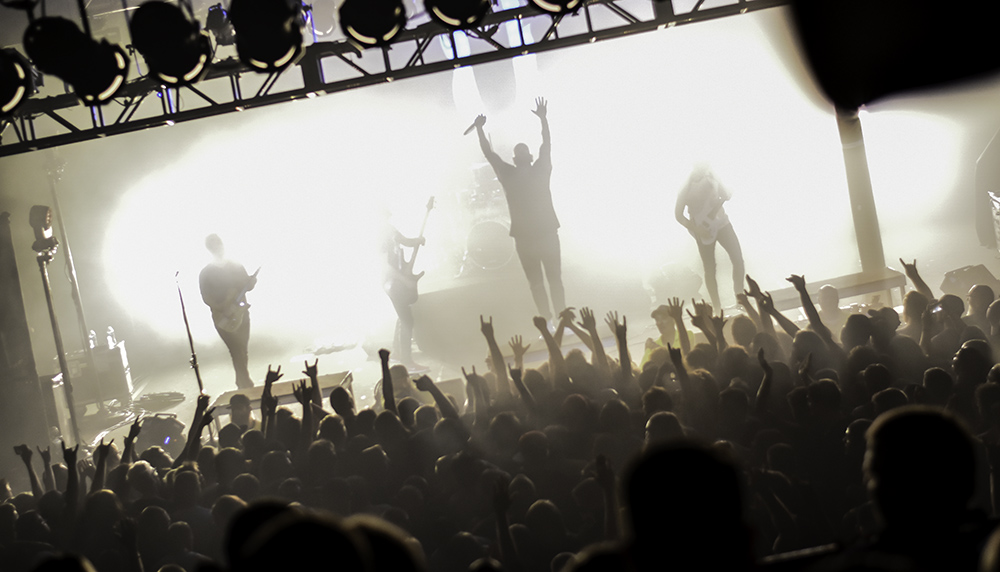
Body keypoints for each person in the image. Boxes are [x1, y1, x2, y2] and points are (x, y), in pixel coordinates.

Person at [473, 97, 565, 319]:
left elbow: (490, 155)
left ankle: (552, 321)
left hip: (527, 237)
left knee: (538, 283)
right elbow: (547, 145)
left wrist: (479, 130)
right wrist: (543, 120)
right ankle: (560, 319)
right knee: (552, 280)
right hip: (544, 233)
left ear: (514, 159)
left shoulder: (509, 174)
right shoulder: (540, 169)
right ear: (528, 157)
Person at [675, 164, 744, 310]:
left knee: (737, 259)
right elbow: (678, 215)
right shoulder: (685, 188)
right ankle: (717, 308)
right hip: (702, 230)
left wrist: (725, 193)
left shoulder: (713, 177)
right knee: (710, 268)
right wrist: (696, 229)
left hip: (723, 224)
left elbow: (725, 195)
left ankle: (740, 300)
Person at [200, 234, 257, 389]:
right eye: (214, 245)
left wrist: (252, 282)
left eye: (219, 243)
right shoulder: (206, 273)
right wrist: (223, 307)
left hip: (242, 313)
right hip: (222, 317)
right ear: (210, 249)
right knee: (236, 350)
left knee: (242, 349)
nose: (218, 247)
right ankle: (245, 383)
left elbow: (247, 285)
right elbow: (206, 298)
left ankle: (242, 382)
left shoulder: (236, 266)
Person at [382, 213, 427, 369]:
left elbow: (404, 240)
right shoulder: (380, 235)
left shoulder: (389, 229)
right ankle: (407, 361)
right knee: (407, 319)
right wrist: (405, 280)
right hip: (391, 282)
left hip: (396, 280)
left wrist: (417, 240)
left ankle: (397, 352)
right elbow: (386, 267)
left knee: (403, 315)